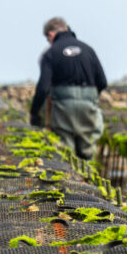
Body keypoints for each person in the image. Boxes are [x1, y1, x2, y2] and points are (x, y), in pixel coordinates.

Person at [29, 18, 108, 160]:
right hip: (88, 106)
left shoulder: (50, 53)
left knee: (65, 151)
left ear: (51, 34)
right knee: (87, 150)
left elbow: (43, 88)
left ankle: (70, 178)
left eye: (48, 39)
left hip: (63, 108)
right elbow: (102, 81)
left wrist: (34, 112)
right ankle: (87, 178)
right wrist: (89, 98)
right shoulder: (88, 50)